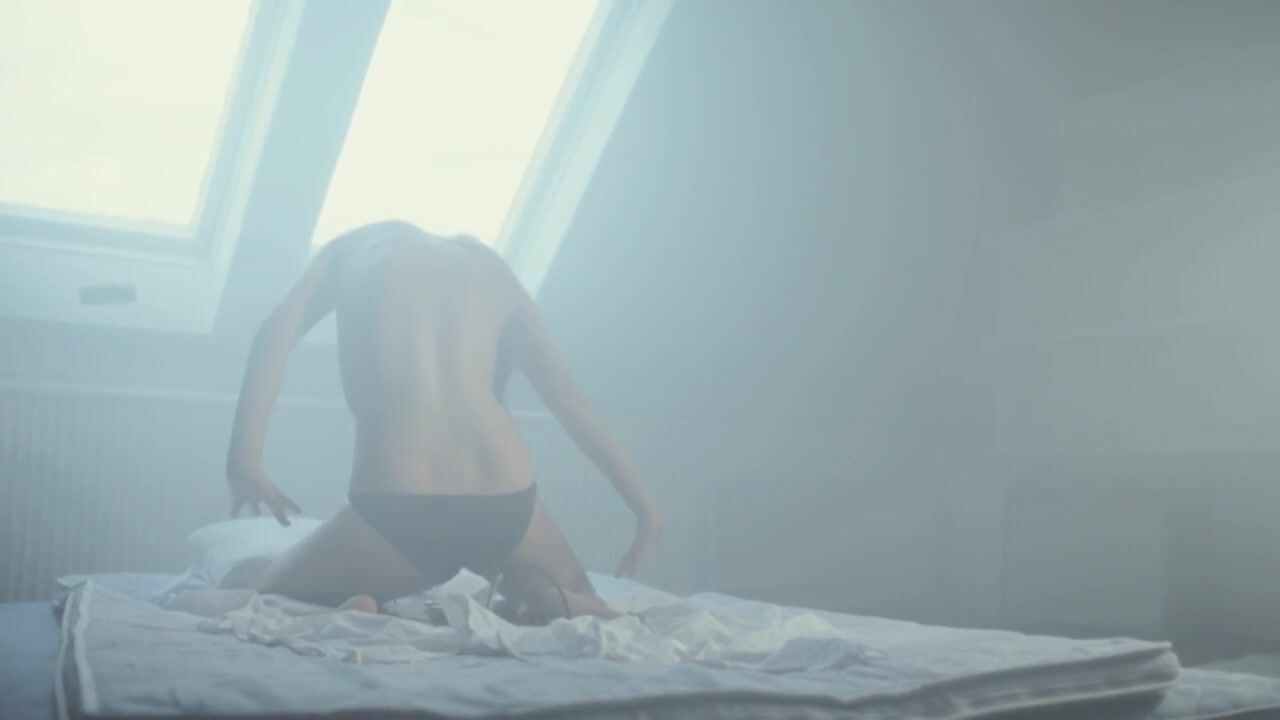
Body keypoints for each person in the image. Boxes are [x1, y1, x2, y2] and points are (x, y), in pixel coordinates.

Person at [224, 220, 663, 621]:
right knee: (585, 601)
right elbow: (568, 400)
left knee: (268, 593)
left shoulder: (350, 251)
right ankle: (542, 593)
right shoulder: (490, 267)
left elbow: (272, 335)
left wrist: (244, 462)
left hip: (400, 503)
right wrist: (645, 510)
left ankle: (356, 601)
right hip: (507, 498)